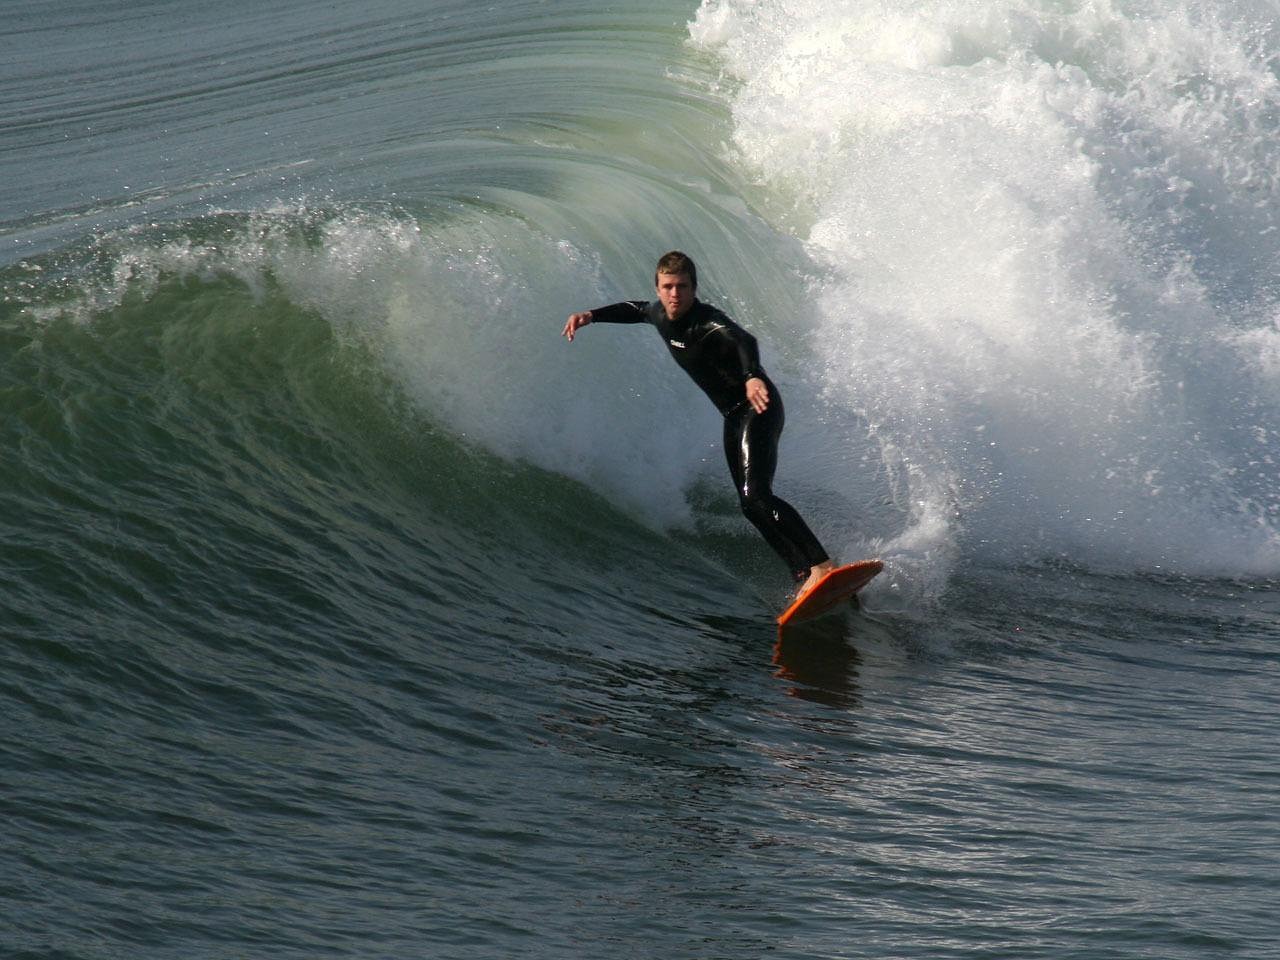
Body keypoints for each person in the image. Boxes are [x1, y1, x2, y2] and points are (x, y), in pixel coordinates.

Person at [562, 250, 837, 595]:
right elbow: (635, 309)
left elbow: (743, 340)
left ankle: (822, 566)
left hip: (759, 407)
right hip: (733, 416)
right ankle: (802, 573)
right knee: (749, 506)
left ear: (694, 288)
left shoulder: (708, 322)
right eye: (668, 287)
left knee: (757, 497)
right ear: (658, 288)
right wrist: (591, 315)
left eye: (682, 286)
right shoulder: (658, 313)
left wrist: (752, 375)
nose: (675, 294)